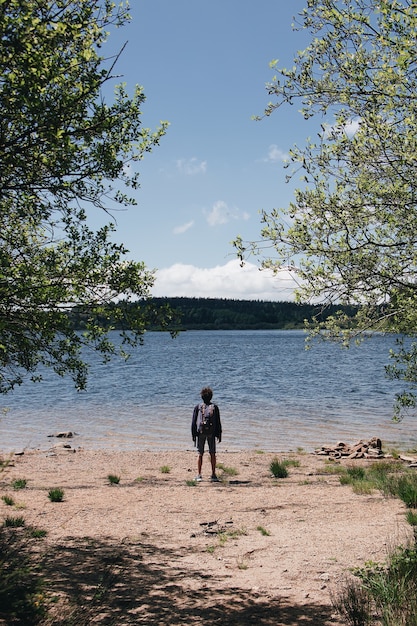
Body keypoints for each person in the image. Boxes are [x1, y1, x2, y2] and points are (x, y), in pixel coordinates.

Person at [191, 386, 222, 482]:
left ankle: (199, 475)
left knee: (200, 454)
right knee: (212, 453)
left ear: (202, 397)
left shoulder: (198, 407)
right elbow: (218, 422)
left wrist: (193, 435)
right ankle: (213, 475)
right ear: (211, 397)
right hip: (211, 433)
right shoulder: (215, 407)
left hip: (201, 433)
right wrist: (219, 434)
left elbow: (193, 422)